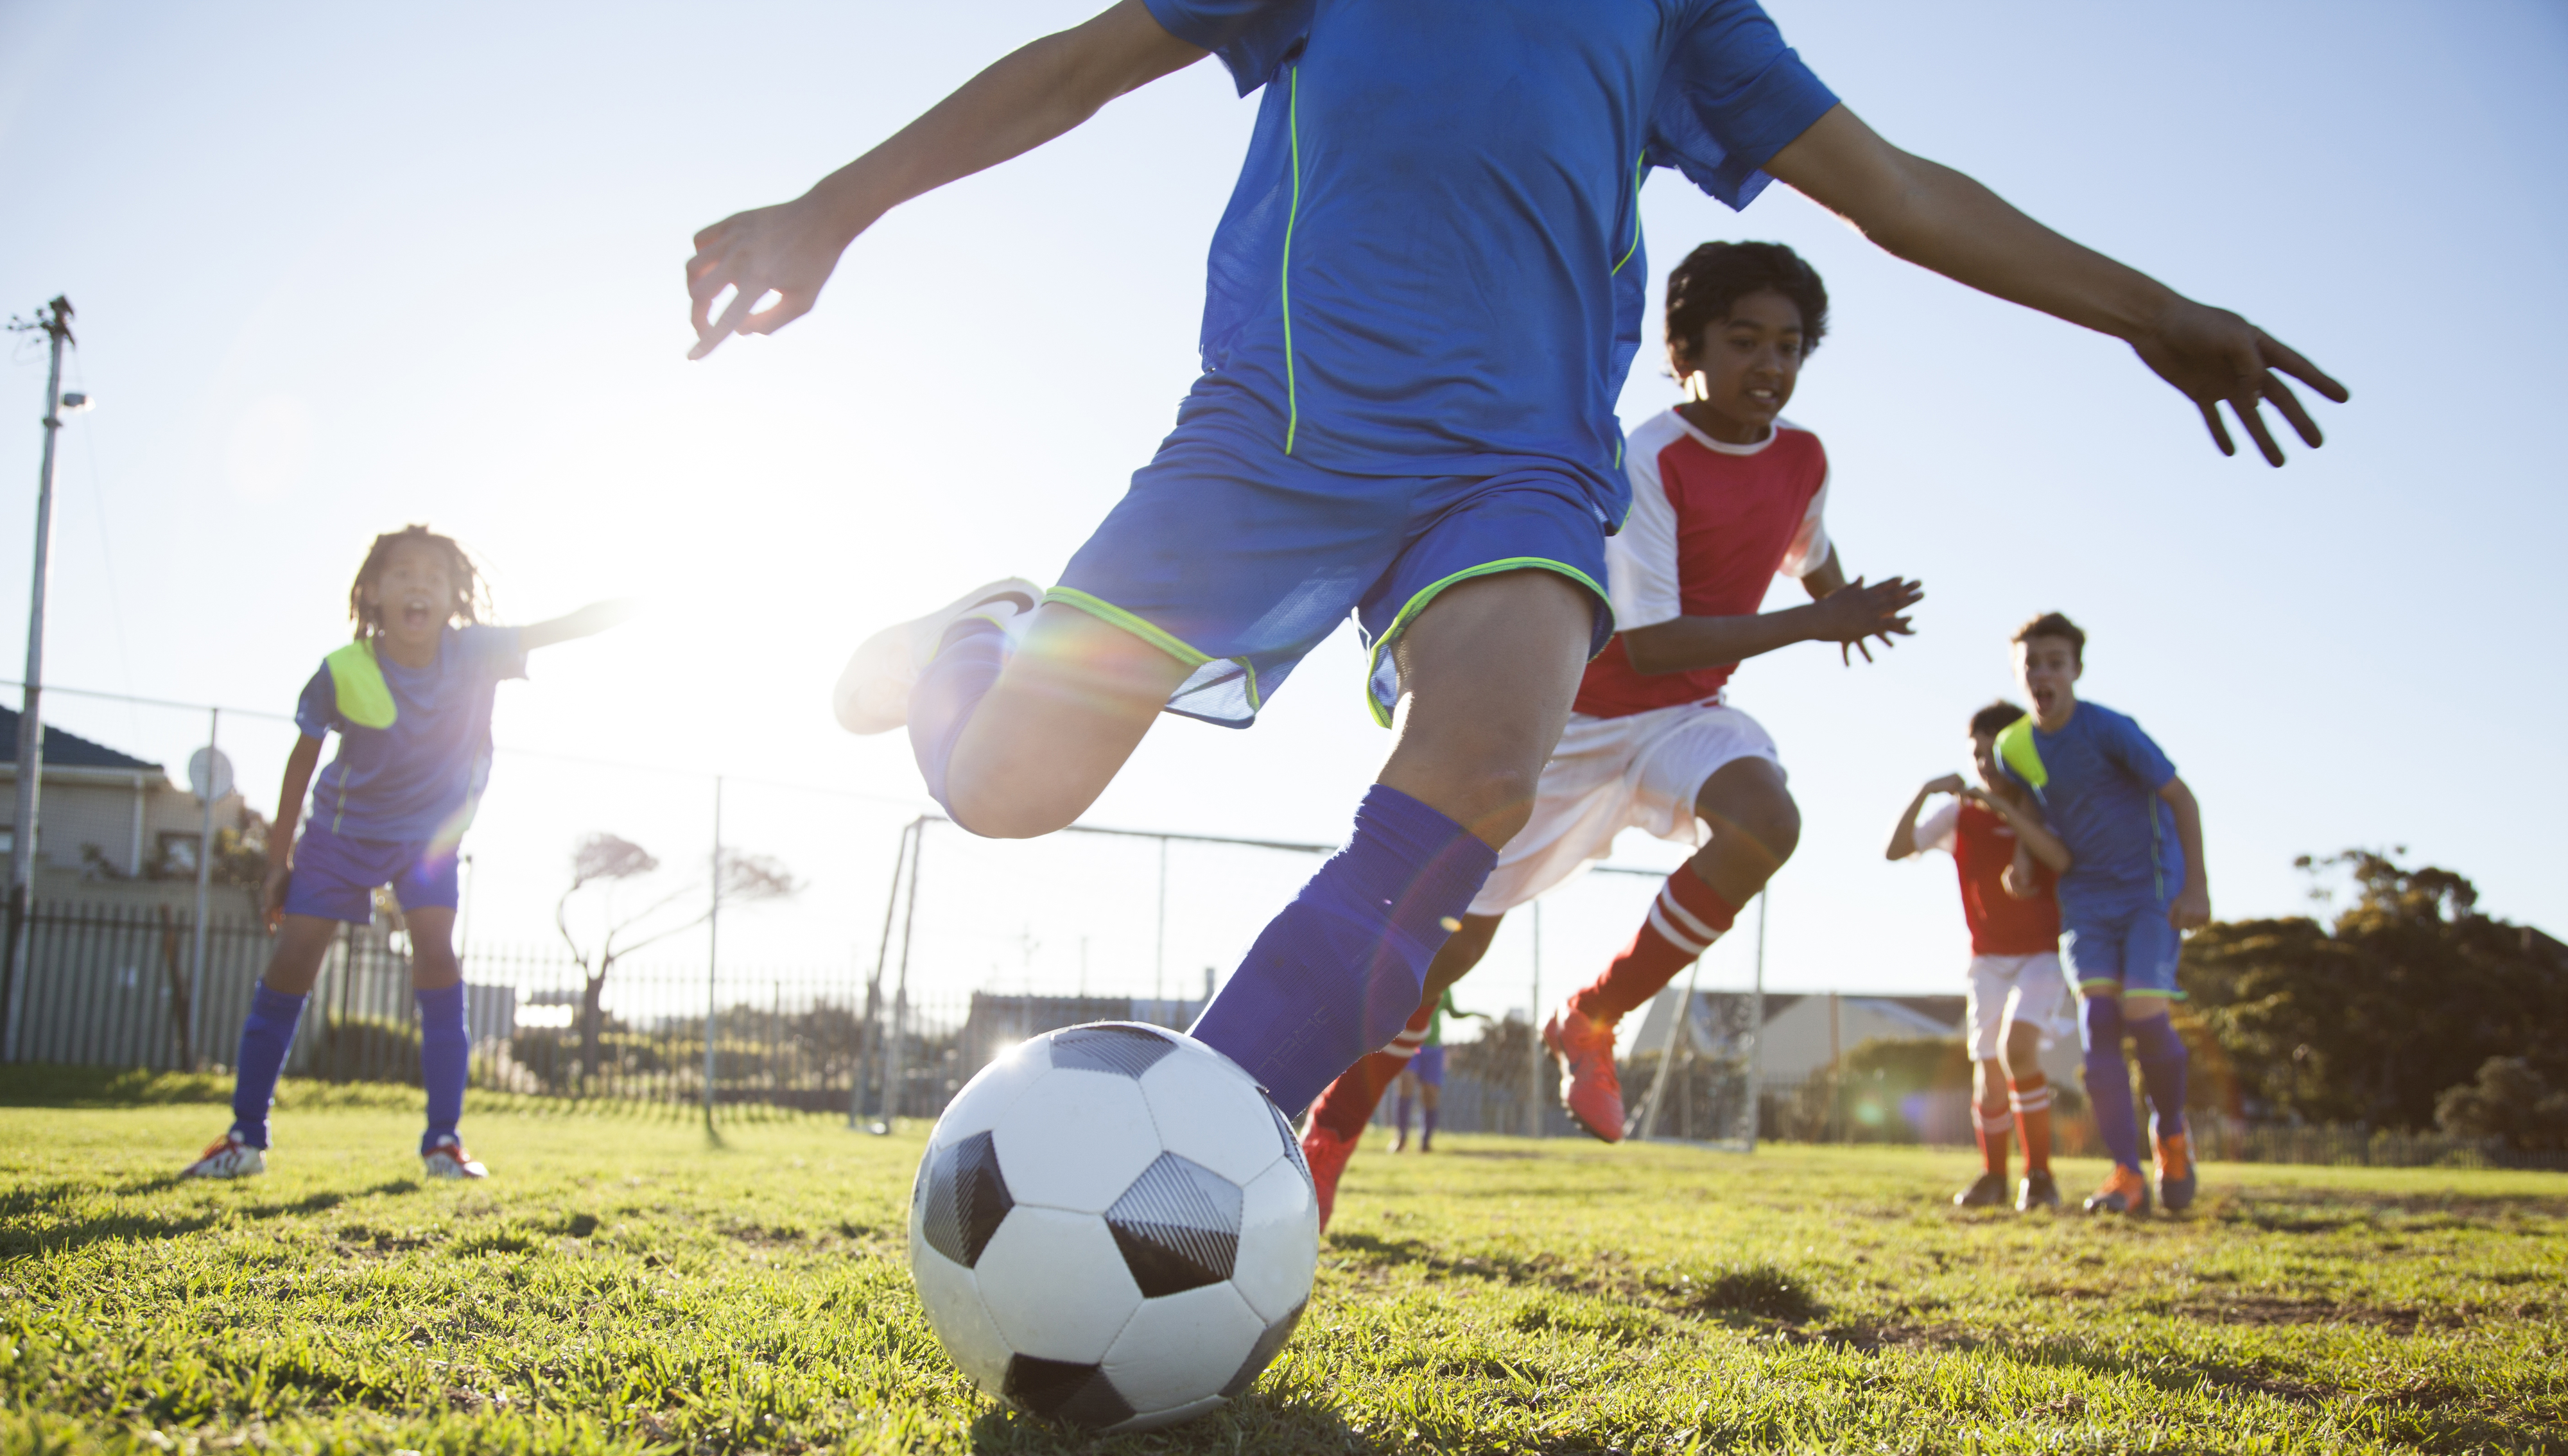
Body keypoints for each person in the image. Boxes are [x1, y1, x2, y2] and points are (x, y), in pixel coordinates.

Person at [685, 0, 2341, 1220]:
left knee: (1481, 774)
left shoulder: (1681, 11)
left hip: (1519, 465)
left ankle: (1200, 1153)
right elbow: (1083, 63)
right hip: (1272, 435)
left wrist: (2149, 311)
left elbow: (1892, 191)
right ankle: (985, 634)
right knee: (1006, 793)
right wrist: (833, 207)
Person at [1299, 239, 1918, 1212]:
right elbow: (1660, 642)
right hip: (1575, 718)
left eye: (1790, 346)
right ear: (1688, 353)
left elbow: (1810, 548)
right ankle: (1331, 1134)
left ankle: (1593, 1017)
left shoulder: (1804, 456)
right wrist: (1818, 621)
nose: (1770, 365)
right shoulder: (1650, 456)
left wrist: (1848, 603)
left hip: (1681, 719)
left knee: (1768, 820)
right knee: (1450, 952)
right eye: (1744, 340)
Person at [182, 528, 633, 1182]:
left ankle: (443, 1142)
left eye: (433, 575)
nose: (417, 584)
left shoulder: (477, 651)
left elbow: (563, 626)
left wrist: (644, 603)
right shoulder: (342, 670)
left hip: (428, 838)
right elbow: (301, 765)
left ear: (454, 596)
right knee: (294, 959)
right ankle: (245, 1138)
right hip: (341, 834)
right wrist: (279, 861)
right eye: (402, 574)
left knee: (437, 954)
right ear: (372, 592)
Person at [1997, 613, 2206, 1215]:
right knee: (2099, 1025)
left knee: (2143, 1009)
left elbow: (2181, 797)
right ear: (2020, 671)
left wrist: (2197, 887)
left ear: (2076, 671)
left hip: (2149, 889)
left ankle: (2171, 1134)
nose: (2042, 673)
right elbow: (2029, 803)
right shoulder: (2015, 745)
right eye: (2032, 663)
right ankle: (2126, 1173)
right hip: (2085, 898)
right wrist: (2023, 858)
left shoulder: (2112, 730)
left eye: (2055, 663)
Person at [1886, 699, 2076, 1211]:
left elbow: (2056, 859)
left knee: (2019, 1049)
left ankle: (2040, 1176)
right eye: (1979, 755)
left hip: (2040, 954)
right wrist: (1926, 791)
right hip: (1986, 959)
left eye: (1996, 754)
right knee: (1988, 1065)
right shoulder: (1960, 814)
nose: (1987, 765)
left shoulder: (2044, 808)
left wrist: (2017, 830)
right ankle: (1993, 1175)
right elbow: (1896, 849)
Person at [1383, 987, 1480, 1154]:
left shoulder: (1446, 987)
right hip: (1412, 1045)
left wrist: (1474, 1014)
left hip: (1433, 1049)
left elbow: (1454, 1013)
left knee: (1431, 1093)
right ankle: (1401, 1138)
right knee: (1406, 1085)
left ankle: (1426, 1142)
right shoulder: (1414, 979)